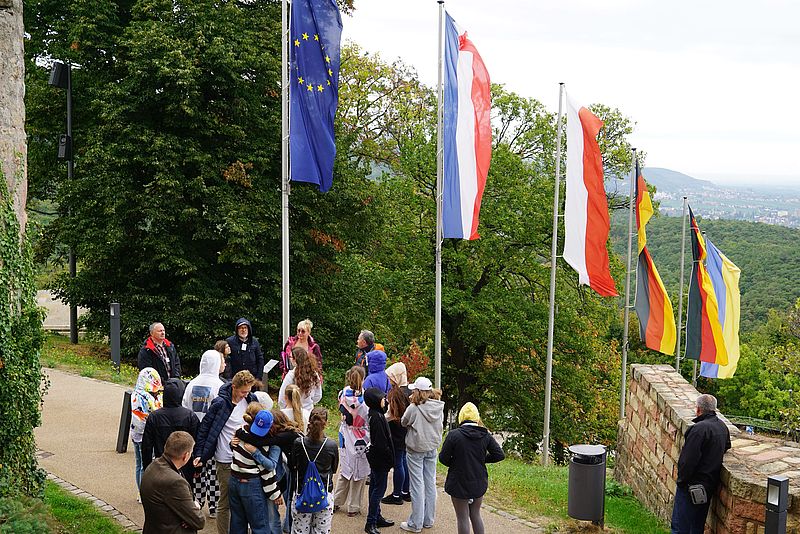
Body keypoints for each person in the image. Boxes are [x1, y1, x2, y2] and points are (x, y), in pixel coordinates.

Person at [192, 370, 259, 534]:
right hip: (225, 459)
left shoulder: (251, 400)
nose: (245, 395)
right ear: (234, 387)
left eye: (248, 391)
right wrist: (199, 454)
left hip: (246, 458)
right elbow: (205, 429)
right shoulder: (220, 403)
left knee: (245, 500)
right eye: (243, 392)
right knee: (226, 501)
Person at [438, 402, 505, 534]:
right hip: (478, 481)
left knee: (462, 517)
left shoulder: (454, 435)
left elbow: (443, 458)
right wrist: (481, 459)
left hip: (458, 481)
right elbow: (499, 455)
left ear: (461, 417)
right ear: (476, 417)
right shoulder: (485, 435)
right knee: (475, 514)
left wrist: (456, 463)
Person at [670, 394, 731, 534]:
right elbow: (727, 446)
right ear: (714, 409)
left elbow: (687, 461)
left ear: (698, 409)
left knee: (680, 527)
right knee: (697, 526)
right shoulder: (722, 427)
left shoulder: (698, 429)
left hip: (691, 485)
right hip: (708, 485)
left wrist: (682, 482)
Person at [182, 349, 225, 518]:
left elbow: (185, 406)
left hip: (194, 433)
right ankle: (214, 506)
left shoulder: (191, 384)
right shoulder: (219, 386)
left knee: (197, 471)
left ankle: (197, 502)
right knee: (213, 472)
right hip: (212, 435)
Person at [400, 377, 444, 533]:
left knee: (417, 486)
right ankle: (428, 520)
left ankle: (415, 523)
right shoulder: (438, 406)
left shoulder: (414, 408)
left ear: (418, 391)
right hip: (432, 447)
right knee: (430, 483)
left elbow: (404, 422)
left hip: (416, 448)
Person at [229, 405, 283, 534]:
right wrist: (275, 493)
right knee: (260, 526)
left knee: (237, 522)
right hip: (251, 484)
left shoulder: (240, 431)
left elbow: (235, 449)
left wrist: (232, 444)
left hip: (234, 480)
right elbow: (267, 470)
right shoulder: (265, 444)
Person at [140, 431, 205, 534]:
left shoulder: (154, 466)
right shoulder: (175, 482)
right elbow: (199, 521)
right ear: (186, 456)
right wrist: (195, 508)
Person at [290, 407, 339, 534]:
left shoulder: (298, 443)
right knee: (321, 531)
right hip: (324, 494)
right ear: (325, 423)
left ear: (309, 421)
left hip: (302, 493)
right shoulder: (331, 445)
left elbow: (293, 465)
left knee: (300, 531)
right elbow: (334, 469)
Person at [142, 378, 200, 479]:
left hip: (162, 465)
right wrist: (197, 468)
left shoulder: (154, 417)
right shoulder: (190, 416)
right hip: (185, 465)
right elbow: (197, 443)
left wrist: (147, 468)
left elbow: (146, 446)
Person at [333, 366, 370, 517]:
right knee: (359, 471)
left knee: (345, 469)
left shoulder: (343, 393)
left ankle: (336, 501)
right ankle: (353, 506)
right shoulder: (366, 398)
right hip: (361, 434)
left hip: (345, 433)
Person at [363, 388, 395, 534]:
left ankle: (377, 516)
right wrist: (389, 458)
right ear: (376, 400)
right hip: (380, 460)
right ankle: (370, 522)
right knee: (378, 491)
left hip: (376, 459)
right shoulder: (376, 417)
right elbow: (381, 443)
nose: (385, 401)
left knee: (374, 487)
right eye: (382, 398)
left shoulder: (375, 413)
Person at [131, 368, 163, 497]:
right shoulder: (145, 397)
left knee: (139, 464)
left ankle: (141, 492)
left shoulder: (136, 394)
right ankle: (144, 493)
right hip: (144, 435)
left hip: (136, 434)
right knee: (144, 465)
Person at [382, 367, 411, 506]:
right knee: (404, 461)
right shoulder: (410, 391)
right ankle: (406, 491)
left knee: (398, 463)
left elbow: (391, 414)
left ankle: (397, 494)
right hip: (406, 431)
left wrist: (380, 419)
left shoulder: (396, 393)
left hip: (396, 431)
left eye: (390, 377)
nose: (389, 380)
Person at [278, 347, 322, 412]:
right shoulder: (314, 374)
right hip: (308, 411)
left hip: (292, 411)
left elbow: (282, 397)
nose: (289, 359)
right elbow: (318, 395)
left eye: (290, 357)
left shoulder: (291, 375)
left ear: (295, 359)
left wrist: (285, 410)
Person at [225, 318, 265, 383]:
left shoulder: (254, 342)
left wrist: (258, 377)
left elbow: (260, 359)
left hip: (252, 379)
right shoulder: (230, 342)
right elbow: (226, 360)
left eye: (245, 328)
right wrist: (228, 378)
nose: (243, 330)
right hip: (235, 379)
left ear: (248, 329)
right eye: (241, 328)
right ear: (237, 330)